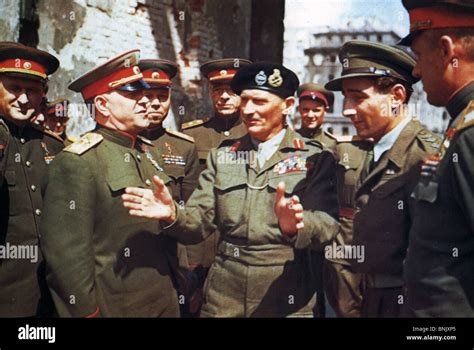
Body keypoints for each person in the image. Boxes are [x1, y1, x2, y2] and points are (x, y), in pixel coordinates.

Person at [122, 62, 340, 317]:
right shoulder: (223, 155)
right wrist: (173, 215)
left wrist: (298, 226)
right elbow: (198, 221)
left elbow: (328, 224)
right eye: (245, 100)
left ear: (288, 106)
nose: (248, 110)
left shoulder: (315, 157)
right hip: (225, 296)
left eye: (259, 102)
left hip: (285, 291)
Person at [40, 50, 180, 317]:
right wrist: (86, 313)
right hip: (118, 307)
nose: (145, 101)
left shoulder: (147, 151)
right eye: (132, 94)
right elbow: (67, 259)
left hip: (163, 300)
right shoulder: (78, 162)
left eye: (144, 92)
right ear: (102, 105)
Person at [325, 40, 440, 317]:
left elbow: (437, 259)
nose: (347, 110)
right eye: (345, 99)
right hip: (369, 298)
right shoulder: (373, 150)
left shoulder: (424, 155)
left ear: (397, 96)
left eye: (358, 98)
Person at [400, 0, 474, 317]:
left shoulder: (470, 134)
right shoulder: (460, 123)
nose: (415, 70)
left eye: (418, 57)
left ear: (446, 51)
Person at [0, 42, 63, 317]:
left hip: (50, 292)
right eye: (14, 88)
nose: (24, 99)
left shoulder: (54, 146)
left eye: (32, 91)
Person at [179, 58, 252, 292]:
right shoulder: (192, 134)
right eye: (217, 89)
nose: (223, 97)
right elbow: (188, 198)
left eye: (231, 91)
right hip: (200, 243)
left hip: (242, 242)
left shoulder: (257, 134)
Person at [138, 59, 202, 315]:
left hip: (171, 262)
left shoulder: (183, 147)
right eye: (148, 95)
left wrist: (192, 270)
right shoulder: (119, 142)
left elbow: (194, 212)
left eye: (162, 96)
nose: (155, 102)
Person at [296, 83, 336, 150]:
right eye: (306, 109)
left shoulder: (333, 144)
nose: (310, 115)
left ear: (325, 111)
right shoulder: (286, 139)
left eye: (316, 110)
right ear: (299, 109)